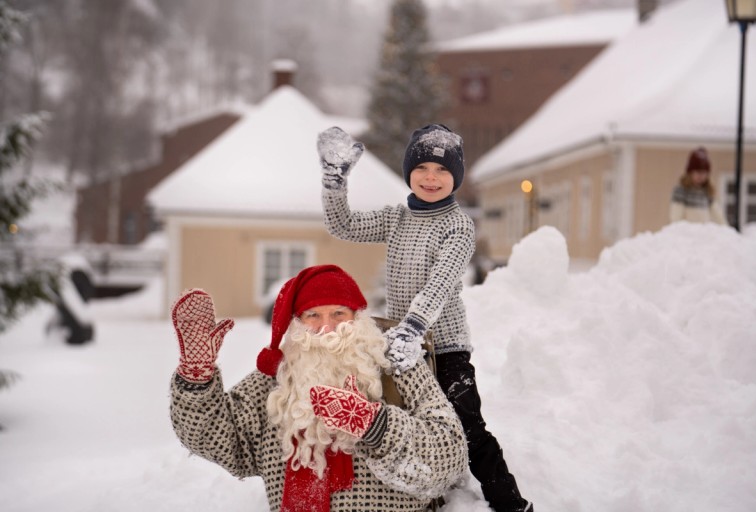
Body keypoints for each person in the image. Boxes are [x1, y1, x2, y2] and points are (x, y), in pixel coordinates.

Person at [317, 125, 533, 512]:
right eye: (422, 168)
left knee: (467, 428)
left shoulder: (458, 225)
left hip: (444, 347)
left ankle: (512, 504)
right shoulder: (397, 218)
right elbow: (342, 225)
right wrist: (335, 182)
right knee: (410, 429)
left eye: (442, 170)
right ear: (409, 172)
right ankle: (429, 499)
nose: (431, 178)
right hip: (402, 349)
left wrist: (414, 327)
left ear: (456, 179)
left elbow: (441, 283)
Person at [169, 264, 468, 512]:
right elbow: (218, 440)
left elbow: (450, 456)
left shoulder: (395, 363)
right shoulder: (277, 380)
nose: (327, 328)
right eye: (313, 316)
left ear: (358, 318)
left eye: (339, 313)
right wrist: (197, 377)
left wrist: (375, 424)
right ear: (297, 324)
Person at [670, 147, 727, 225]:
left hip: (703, 234)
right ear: (690, 172)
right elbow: (676, 218)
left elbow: (718, 217)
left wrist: (726, 230)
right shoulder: (681, 191)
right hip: (686, 234)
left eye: (704, 172)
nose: (701, 176)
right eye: (697, 172)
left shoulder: (707, 192)